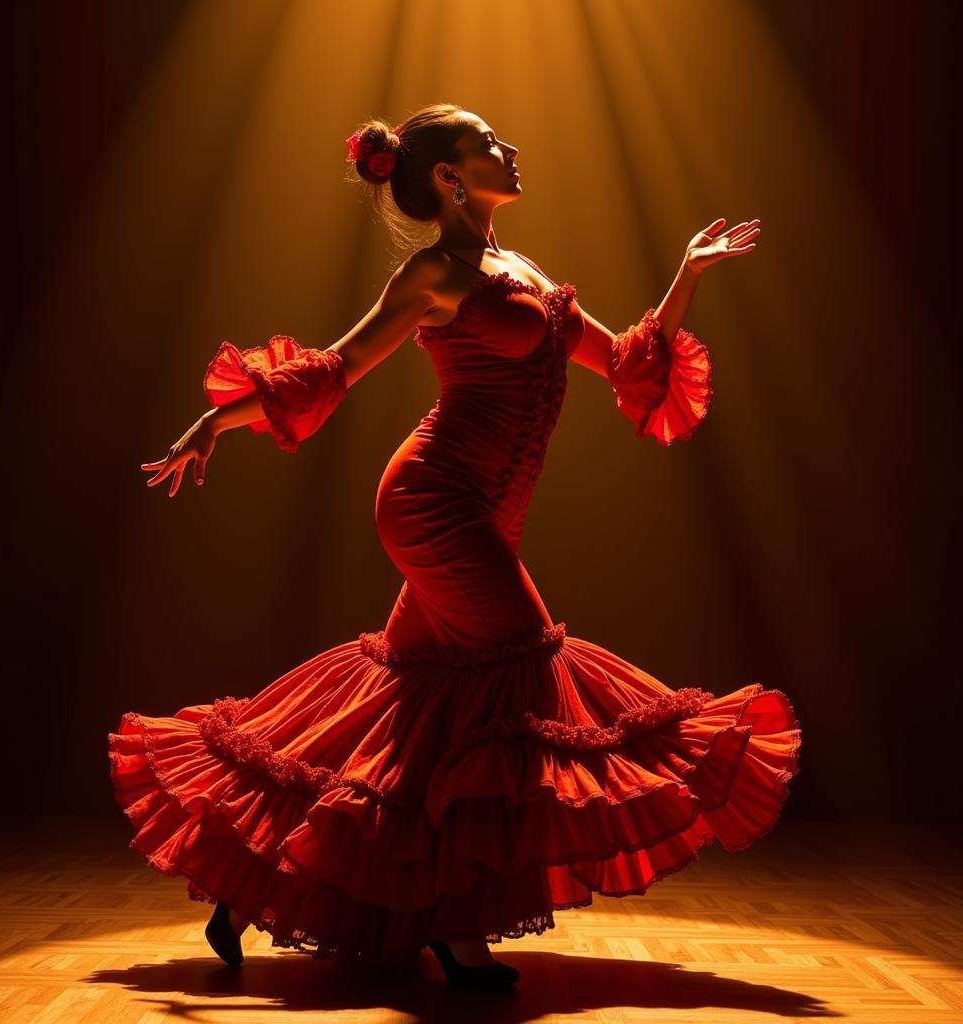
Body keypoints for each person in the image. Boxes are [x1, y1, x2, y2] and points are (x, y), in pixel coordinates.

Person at [109, 103, 797, 991]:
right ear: (448, 177)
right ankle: (458, 928)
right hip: (433, 501)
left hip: (490, 510)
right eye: (489, 144)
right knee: (519, 677)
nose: (512, 149)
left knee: (415, 710)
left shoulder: (521, 268)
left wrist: (686, 276)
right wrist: (216, 416)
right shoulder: (434, 272)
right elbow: (336, 367)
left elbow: (625, 363)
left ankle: (250, 883)